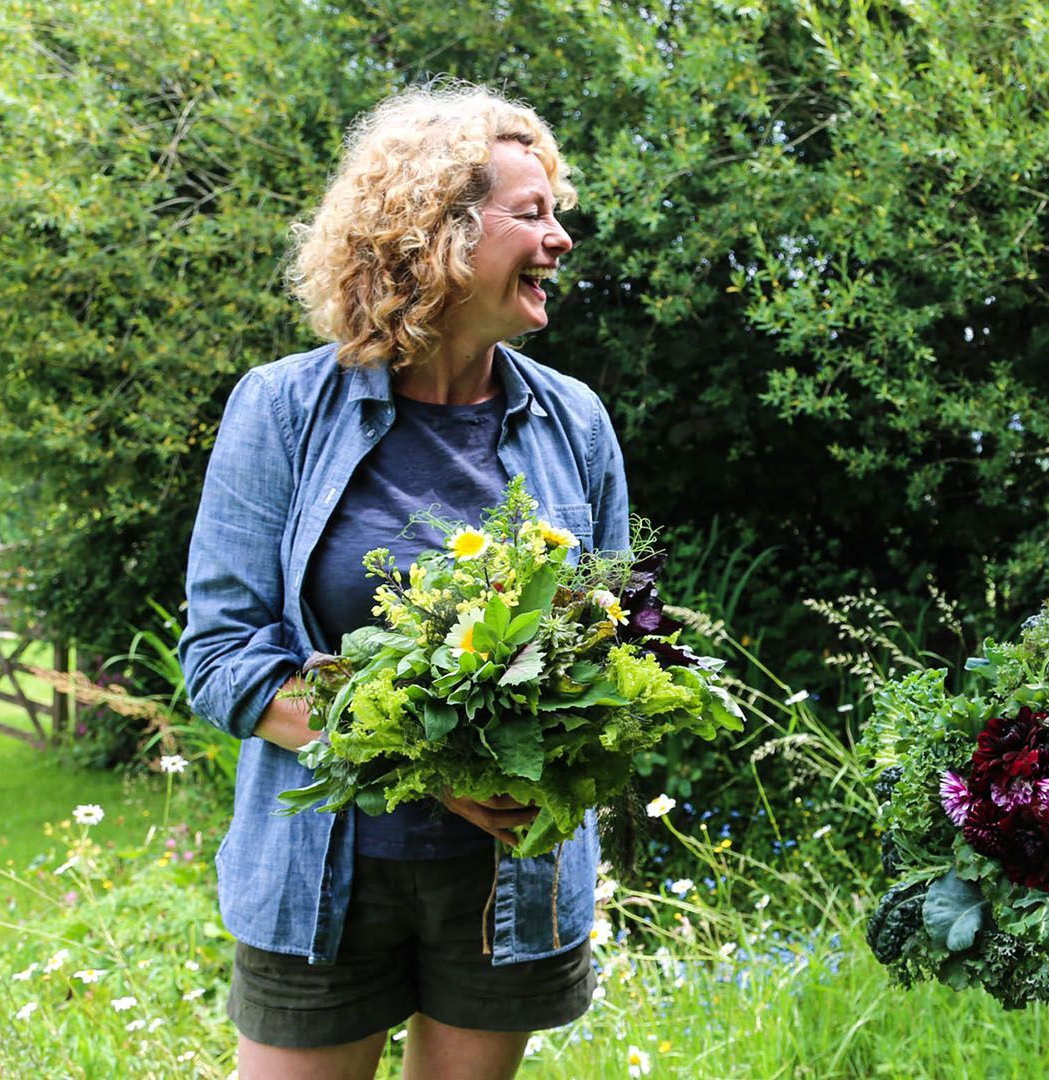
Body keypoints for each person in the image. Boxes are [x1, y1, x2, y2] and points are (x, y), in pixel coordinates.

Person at [179, 85, 627, 1080]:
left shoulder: (575, 423)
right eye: (533, 213)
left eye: (558, 214)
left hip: (507, 886)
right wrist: (433, 764)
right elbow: (220, 662)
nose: (560, 240)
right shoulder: (285, 410)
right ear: (438, 236)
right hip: (319, 878)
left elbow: (610, 638)